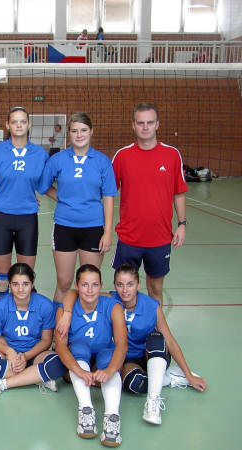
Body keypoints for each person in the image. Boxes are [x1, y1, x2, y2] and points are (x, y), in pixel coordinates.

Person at [57, 264, 207, 426]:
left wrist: (189, 374)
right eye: (120, 284)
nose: (125, 290)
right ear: (114, 285)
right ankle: (169, 378)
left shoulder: (151, 306)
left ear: (138, 285)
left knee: (156, 338)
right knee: (134, 383)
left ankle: (153, 400)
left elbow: (169, 340)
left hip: (151, 353)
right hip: (127, 358)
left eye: (130, 284)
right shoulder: (112, 298)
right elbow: (75, 292)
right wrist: (67, 312)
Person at [112, 102, 188, 304]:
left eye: (150, 122)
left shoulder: (172, 155)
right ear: (133, 125)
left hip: (159, 238)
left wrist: (182, 224)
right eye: (140, 123)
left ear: (157, 124)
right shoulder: (122, 156)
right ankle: (124, 324)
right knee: (124, 291)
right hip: (129, 237)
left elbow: (179, 193)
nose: (145, 127)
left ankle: (155, 324)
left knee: (155, 289)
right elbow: (108, 193)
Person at [38, 112, 117, 305]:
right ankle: (58, 322)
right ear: (69, 133)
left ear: (91, 131)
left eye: (83, 130)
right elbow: (43, 186)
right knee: (64, 282)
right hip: (64, 227)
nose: (79, 135)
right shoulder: (58, 159)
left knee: (89, 283)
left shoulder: (102, 161)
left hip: (93, 228)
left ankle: (86, 323)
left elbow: (108, 198)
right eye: (74, 131)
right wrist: (61, 198)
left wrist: (107, 232)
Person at [54, 264, 127, 447]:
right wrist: (78, 370)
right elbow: (60, 347)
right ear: (77, 286)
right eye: (85, 284)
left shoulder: (112, 306)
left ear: (101, 285)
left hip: (103, 356)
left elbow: (122, 344)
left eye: (94, 285)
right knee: (79, 348)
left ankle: (112, 417)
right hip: (80, 359)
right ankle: (86, 410)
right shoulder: (64, 311)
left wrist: (110, 370)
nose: (89, 290)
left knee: (107, 357)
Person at [0, 106, 50, 299]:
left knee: (25, 276)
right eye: (14, 122)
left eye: (23, 121)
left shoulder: (40, 154)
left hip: (27, 218)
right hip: (1, 217)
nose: (19, 125)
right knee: (2, 278)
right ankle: (1, 314)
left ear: (29, 124)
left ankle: (25, 314)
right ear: (7, 125)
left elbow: (44, 184)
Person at [0, 263, 64, 395]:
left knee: (58, 363)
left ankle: (3, 384)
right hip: (8, 356)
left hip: (35, 354)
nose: (20, 289)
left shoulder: (45, 305)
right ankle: (35, 377)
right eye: (15, 284)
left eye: (25, 284)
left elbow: (46, 341)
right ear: (9, 284)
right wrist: (9, 352)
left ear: (32, 284)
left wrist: (25, 356)